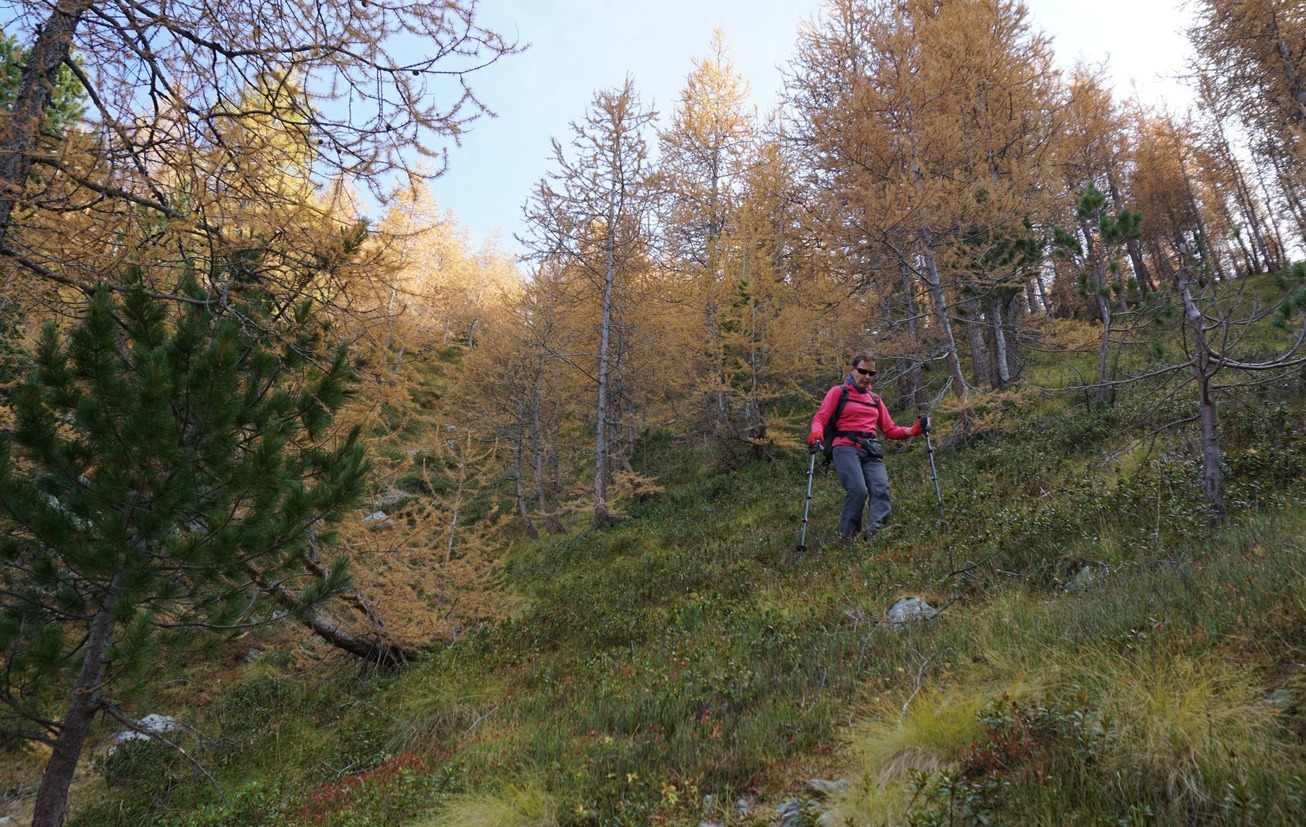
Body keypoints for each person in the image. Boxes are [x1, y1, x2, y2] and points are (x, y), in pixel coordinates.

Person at [807, 352, 928, 543]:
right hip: (844, 447)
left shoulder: (875, 400)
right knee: (857, 489)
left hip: (871, 450)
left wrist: (913, 430)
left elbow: (890, 429)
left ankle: (874, 534)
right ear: (852, 370)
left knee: (880, 488)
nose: (867, 377)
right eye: (863, 371)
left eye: (872, 373)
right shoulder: (838, 392)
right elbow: (821, 417)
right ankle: (848, 537)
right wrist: (816, 432)